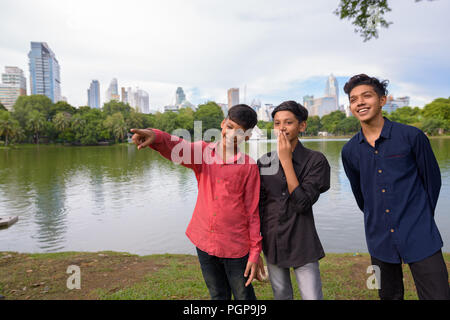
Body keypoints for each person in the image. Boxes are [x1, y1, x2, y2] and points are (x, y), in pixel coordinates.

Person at [130, 104, 263, 300]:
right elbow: (178, 147)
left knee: (243, 295)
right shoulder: (202, 152)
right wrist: (155, 135)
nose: (232, 134)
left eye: (240, 131)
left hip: (236, 246)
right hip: (204, 241)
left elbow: (252, 212)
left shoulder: (249, 166)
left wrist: (254, 252)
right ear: (223, 124)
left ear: (248, 136)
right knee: (217, 294)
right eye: (230, 126)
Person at [341, 74, 449, 300]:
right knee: (388, 295)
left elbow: (432, 182)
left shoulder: (412, 136)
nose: (359, 102)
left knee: (438, 294)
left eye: (366, 96)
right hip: (378, 239)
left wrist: (419, 217)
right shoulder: (350, 151)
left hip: (420, 234)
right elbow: (362, 197)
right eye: (353, 99)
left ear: (382, 100)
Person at [257, 101, 330, 300]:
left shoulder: (316, 161)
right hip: (272, 238)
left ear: (302, 126)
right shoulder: (264, 162)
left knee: (312, 296)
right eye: (277, 123)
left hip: (302, 239)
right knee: (281, 294)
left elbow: (302, 203)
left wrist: (286, 161)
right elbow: (259, 207)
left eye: (288, 122)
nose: (281, 128)